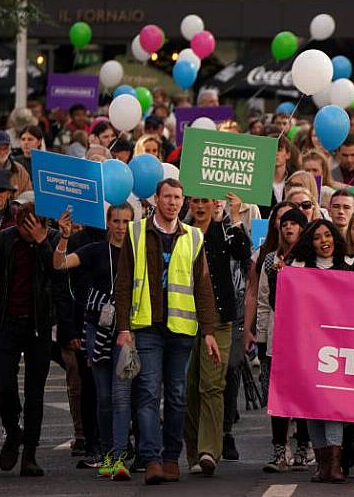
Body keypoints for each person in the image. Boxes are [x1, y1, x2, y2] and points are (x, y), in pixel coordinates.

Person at [113, 178, 220, 485]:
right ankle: (152, 460)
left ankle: (172, 456)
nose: (173, 202)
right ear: (157, 199)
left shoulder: (194, 237)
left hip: (182, 329)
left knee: (176, 396)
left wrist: (209, 330)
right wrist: (123, 328)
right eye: (168, 197)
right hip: (146, 327)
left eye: (178, 198)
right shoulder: (136, 232)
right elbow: (122, 284)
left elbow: (203, 286)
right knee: (147, 393)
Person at [0, 202, 65, 477]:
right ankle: (14, 432)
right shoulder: (4, 240)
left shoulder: (50, 239)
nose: (29, 232)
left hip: (39, 324)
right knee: (2, 385)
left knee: (35, 392)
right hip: (8, 321)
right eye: (24, 226)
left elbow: (58, 275)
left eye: (34, 227)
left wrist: (41, 242)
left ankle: (30, 454)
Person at [53, 204, 134, 481]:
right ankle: (108, 451)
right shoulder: (95, 250)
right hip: (96, 328)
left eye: (126, 221)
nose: (121, 226)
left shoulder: (138, 253)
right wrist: (63, 237)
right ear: (108, 223)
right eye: (116, 221)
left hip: (127, 329)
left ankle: (121, 455)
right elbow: (60, 264)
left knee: (122, 395)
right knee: (104, 397)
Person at [286, 219, 354, 484]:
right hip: (306, 345)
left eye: (327, 235)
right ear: (310, 242)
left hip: (339, 346)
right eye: (317, 237)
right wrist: (280, 270)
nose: (324, 241)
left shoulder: (350, 265)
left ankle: (335, 463)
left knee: (332, 403)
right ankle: (322, 464)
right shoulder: (299, 268)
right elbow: (279, 300)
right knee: (311, 405)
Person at [182, 193, 250, 475]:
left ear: (214, 204)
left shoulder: (224, 232)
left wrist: (235, 219)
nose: (200, 206)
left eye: (205, 201)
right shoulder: (180, 232)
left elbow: (243, 254)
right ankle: (193, 453)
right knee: (188, 388)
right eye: (195, 201)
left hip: (220, 320)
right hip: (185, 319)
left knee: (212, 384)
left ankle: (209, 451)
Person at [248, 207, 313, 473]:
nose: (289, 228)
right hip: (277, 336)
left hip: (306, 338)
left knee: (304, 395)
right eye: (284, 224)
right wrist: (261, 337)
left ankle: (304, 447)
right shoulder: (270, 260)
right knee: (279, 396)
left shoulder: (309, 259)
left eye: (294, 224)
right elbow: (263, 299)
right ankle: (279, 451)